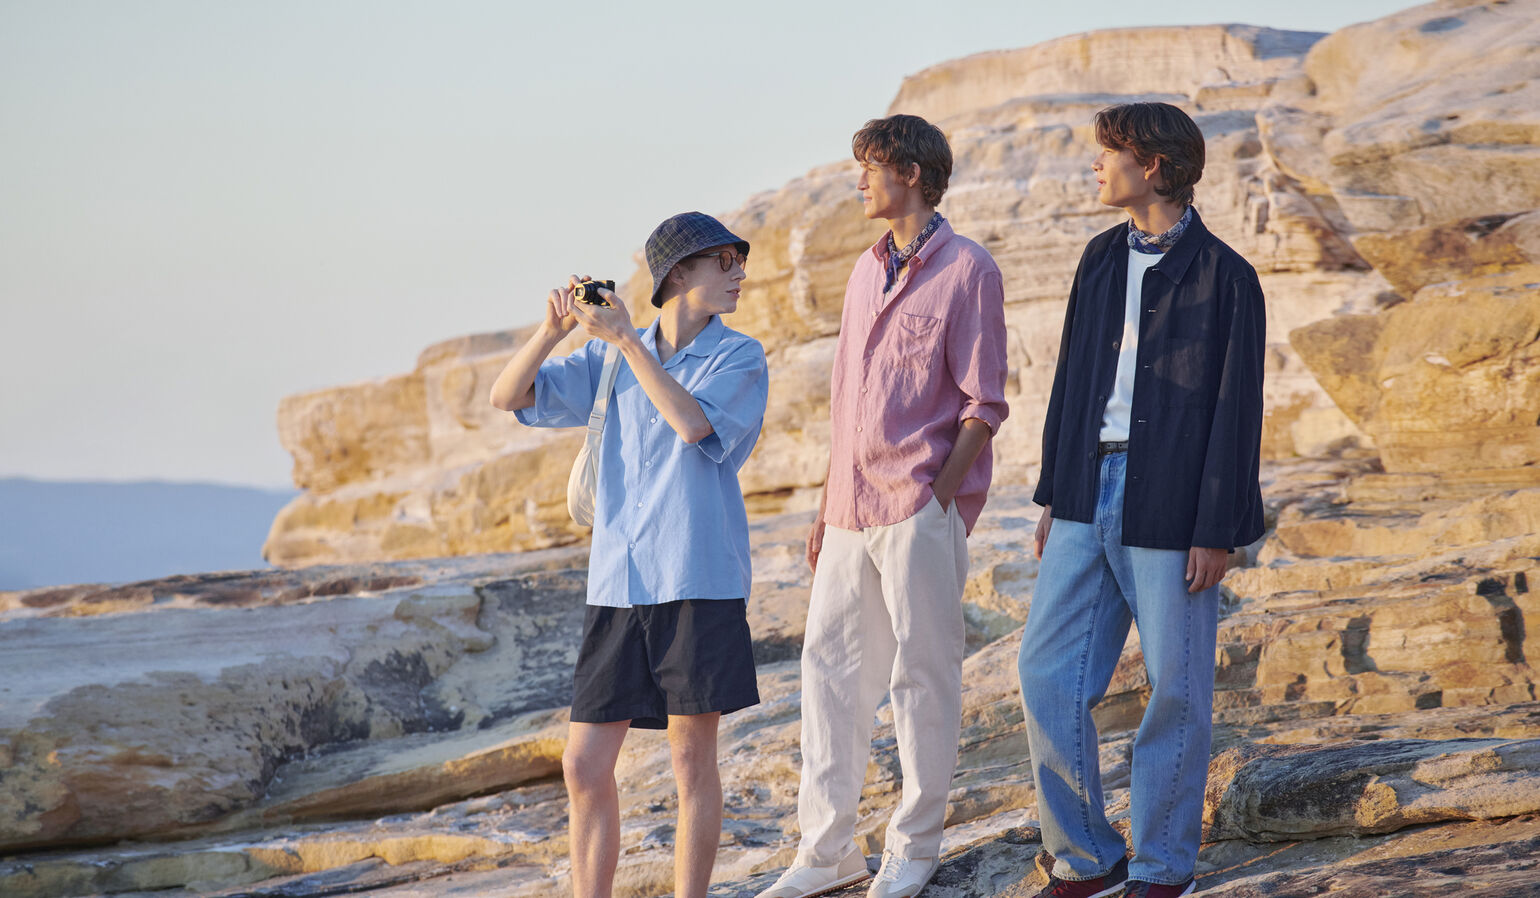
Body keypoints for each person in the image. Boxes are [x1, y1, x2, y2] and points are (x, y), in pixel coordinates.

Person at [756, 114, 1009, 898]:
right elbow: (848, 402)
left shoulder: (969, 269)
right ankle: (826, 851)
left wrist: (939, 497)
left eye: (867, 167)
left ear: (908, 171)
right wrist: (827, 504)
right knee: (828, 672)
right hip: (847, 511)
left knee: (922, 677)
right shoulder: (866, 272)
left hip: (916, 507)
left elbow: (983, 402)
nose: (857, 181)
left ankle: (915, 843)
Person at [1017, 102, 1266, 898]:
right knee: (1046, 674)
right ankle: (1087, 855)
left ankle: (1163, 868)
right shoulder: (1096, 259)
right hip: (1086, 494)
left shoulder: (1228, 276)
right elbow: (1070, 384)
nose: (1095, 166)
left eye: (1107, 153)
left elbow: (1237, 410)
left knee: (1177, 689)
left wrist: (1217, 526)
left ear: (1151, 165)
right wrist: (1054, 493)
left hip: (1172, 499)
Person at [489, 211, 770, 898]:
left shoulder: (739, 357)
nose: (739, 273)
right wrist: (551, 332)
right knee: (583, 766)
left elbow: (691, 424)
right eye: (724, 261)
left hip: (696, 579)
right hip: (617, 584)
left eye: (740, 261)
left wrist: (629, 345)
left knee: (688, 761)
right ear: (678, 273)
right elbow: (509, 396)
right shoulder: (609, 356)